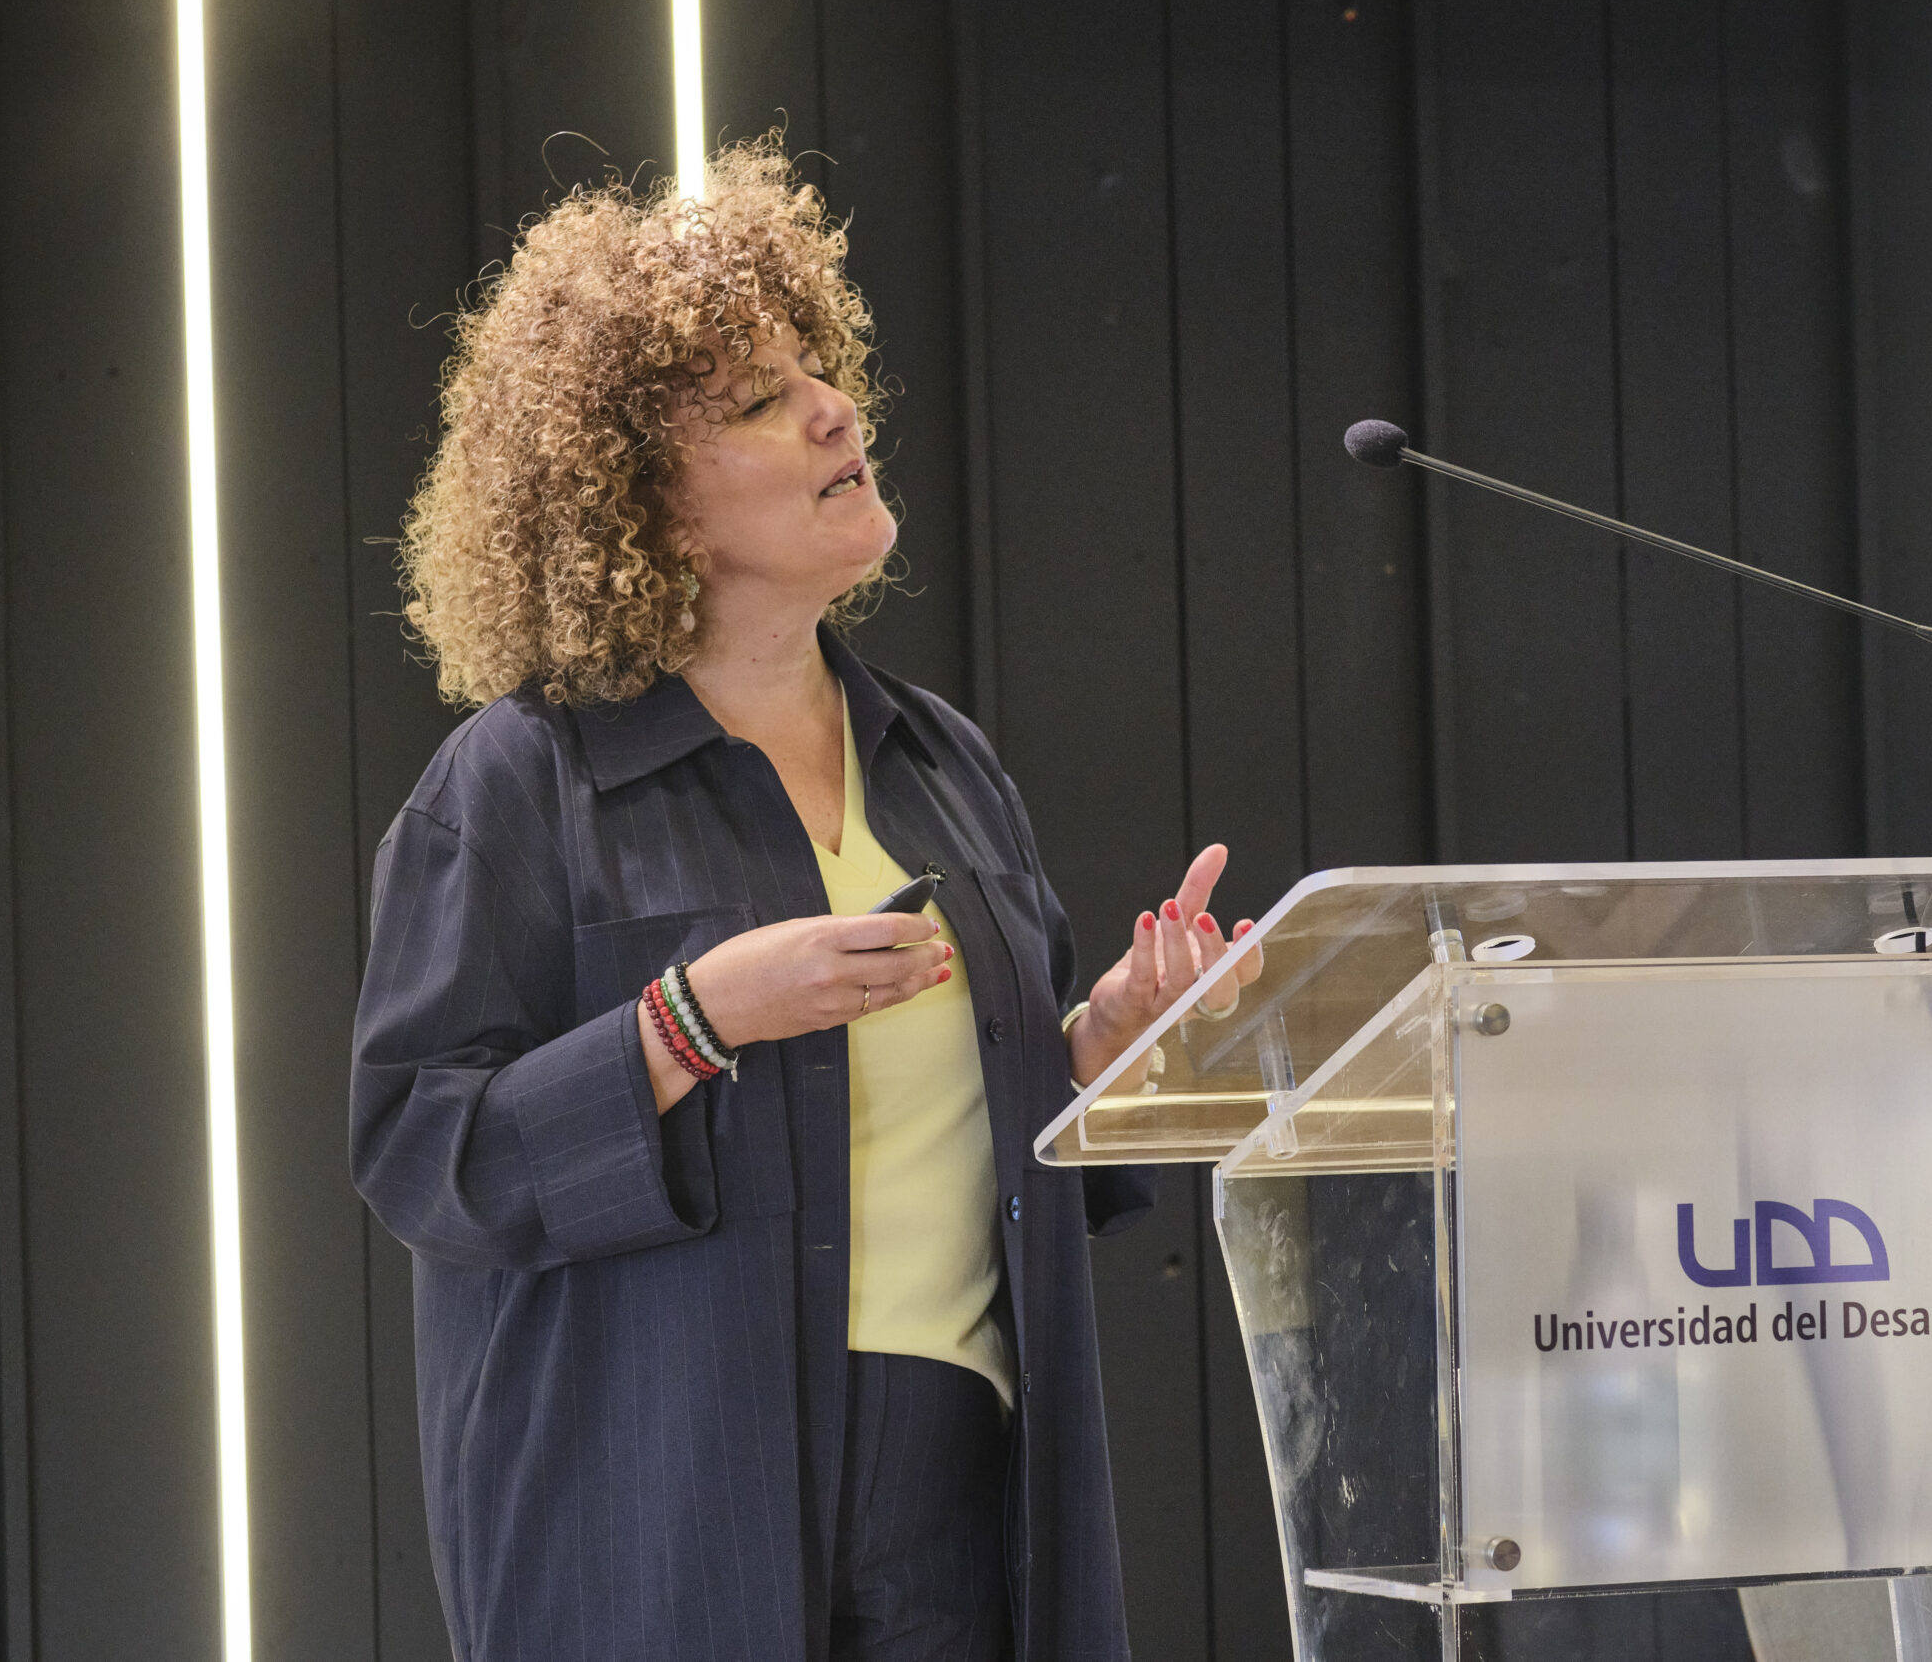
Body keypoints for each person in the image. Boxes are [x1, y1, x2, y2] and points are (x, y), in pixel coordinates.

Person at [350, 139, 1263, 1662]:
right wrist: (689, 1021)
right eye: (759, 403)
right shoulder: (519, 782)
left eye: (817, 372)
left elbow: (989, 1131)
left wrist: (1108, 1043)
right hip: (663, 1508)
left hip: (959, 1500)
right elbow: (420, 1155)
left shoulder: (943, 764)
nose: (836, 409)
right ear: (640, 504)